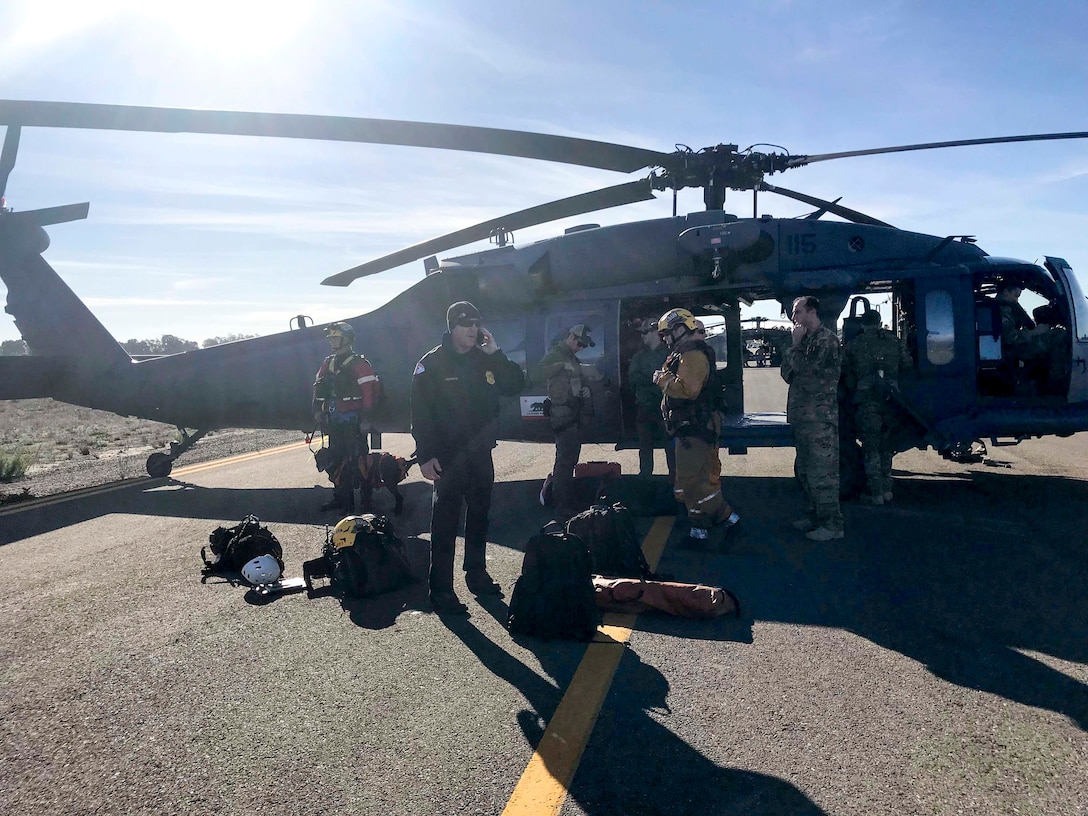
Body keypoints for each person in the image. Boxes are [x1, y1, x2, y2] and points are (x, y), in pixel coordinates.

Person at [411, 301, 525, 614]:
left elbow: (516, 384)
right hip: (447, 458)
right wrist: (425, 455)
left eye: (476, 323)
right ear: (451, 328)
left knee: (479, 516)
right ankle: (442, 589)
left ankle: (476, 574)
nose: (472, 330)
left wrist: (496, 354)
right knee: (445, 523)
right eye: (465, 324)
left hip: (480, 454)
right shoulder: (431, 364)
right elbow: (420, 415)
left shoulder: (485, 359)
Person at [652, 308, 740, 542]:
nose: (666, 339)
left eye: (667, 334)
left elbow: (688, 390)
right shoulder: (682, 354)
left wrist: (663, 380)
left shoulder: (692, 356)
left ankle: (729, 519)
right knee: (689, 482)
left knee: (693, 482)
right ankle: (698, 531)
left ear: (681, 329)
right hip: (688, 428)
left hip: (696, 429)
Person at [781, 296, 844, 541]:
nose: (793, 317)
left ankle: (833, 524)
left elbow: (806, 373)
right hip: (803, 417)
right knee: (805, 471)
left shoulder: (825, 340)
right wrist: (796, 350)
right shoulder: (807, 341)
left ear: (812, 311)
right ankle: (816, 517)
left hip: (819, 417)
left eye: (797, 311)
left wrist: (795, 347)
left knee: (823, 473)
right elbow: (788, 373)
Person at [843, 309, 911, 505]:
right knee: (886, 447)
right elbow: (907, 364)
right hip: (891, 401)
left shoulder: (855, 345)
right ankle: (887, 489)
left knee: (870, 448)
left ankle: (875, 493)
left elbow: (845, 371)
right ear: (880, 322)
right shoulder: (894, 342)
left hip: (867, 402)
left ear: (862, 324)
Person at [312, 322, 381, 513]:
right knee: (336, 460)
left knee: (360, 461)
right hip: (335, 421)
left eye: (335, 338)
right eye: (331, 338)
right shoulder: (328, 362)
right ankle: (341, 499)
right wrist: (317, 409)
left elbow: (369, 393)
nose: (332, 341)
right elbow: (318, 386)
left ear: (347, 340)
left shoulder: (360, 364)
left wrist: (366, 419)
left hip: (354, 422)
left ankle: (367, 502)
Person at [535, 324, 599, 519]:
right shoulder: (557, 354)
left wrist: (584, 392)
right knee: (564, 464)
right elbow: (537, 374)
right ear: (571, 337)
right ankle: (561, 507)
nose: (580, 348)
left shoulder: (572, 357)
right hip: (562, 417)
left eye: (584, 346)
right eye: (579, 343)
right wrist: (560, 366)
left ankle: (565, 501)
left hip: (573, 415)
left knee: (570, 461)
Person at [995, 282, 1068, 394]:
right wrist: (1035, 332)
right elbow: (1010, 338)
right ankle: (1055, 385)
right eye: (1016, 296)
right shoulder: (1001, 311)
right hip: (1012, 349)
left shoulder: (1006, 307)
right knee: (1059, 335)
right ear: (1005, 292)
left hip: (1012, 348)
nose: (1017, 300)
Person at [627, 318, 674, 478]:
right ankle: (645, 482)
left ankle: (675, 483)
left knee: (671, 447)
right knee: (645, 449)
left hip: (665, 409)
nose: (642, 336)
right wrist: (656, 379)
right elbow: (633, 379)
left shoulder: (670, 355)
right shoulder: (639, 357)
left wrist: (650, 379)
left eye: (645, 332)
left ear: (656, 333)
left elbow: (672, 378)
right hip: (645, 408)